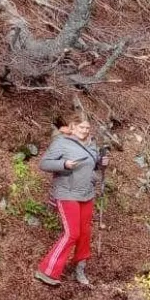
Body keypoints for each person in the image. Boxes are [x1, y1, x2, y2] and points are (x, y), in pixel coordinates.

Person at [35, 113, 107, 287]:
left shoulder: (91, 145)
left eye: (87, 127)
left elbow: (94, 165)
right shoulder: (61, 143)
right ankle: (47, 270)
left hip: (86, 194)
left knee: (84, 233)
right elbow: (44, 163)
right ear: (73, 127)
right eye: (81, 127)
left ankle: (79, 267)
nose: (85, 130)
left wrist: (102, 163)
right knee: (71, 233)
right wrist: (64, 164)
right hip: (67, 193)